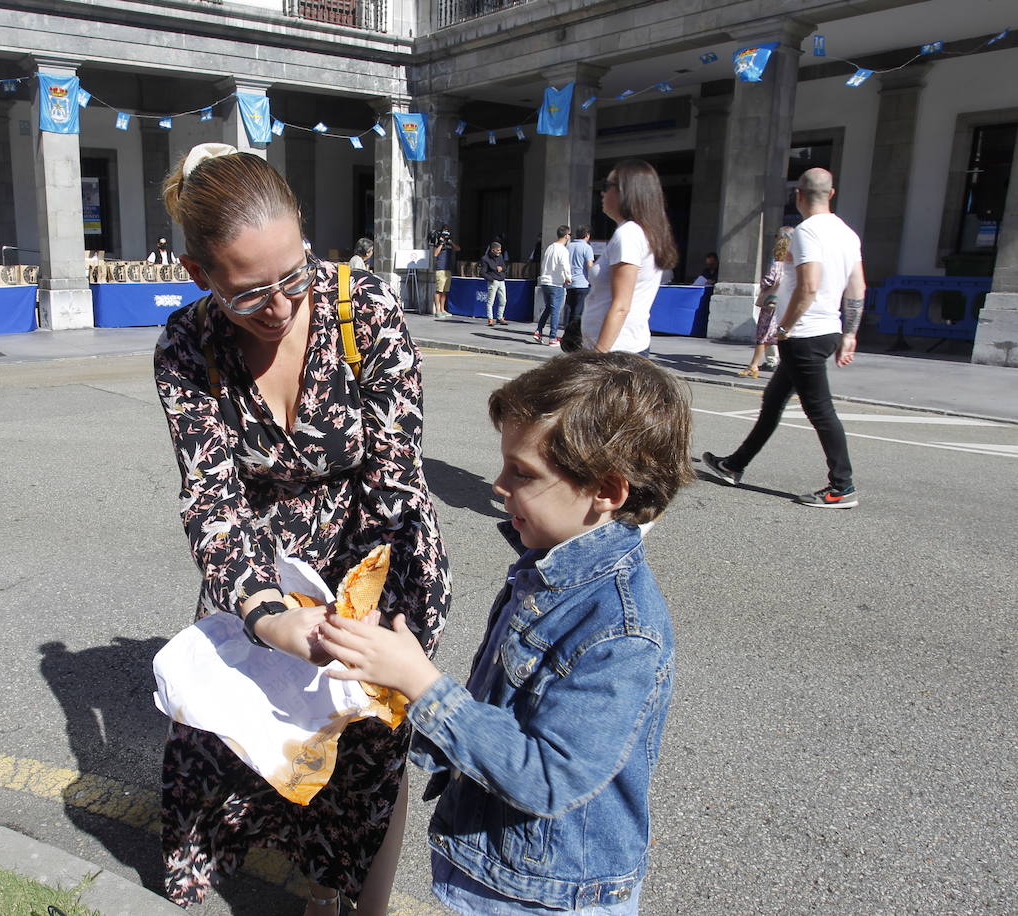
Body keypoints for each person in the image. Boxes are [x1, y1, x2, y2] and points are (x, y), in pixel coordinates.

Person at [153, 142, 451, 914]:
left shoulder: (364, 307)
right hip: (265, 566)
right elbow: (212, 497)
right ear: (200, 275)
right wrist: (268, 616)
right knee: (221, 740)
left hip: (377, 553)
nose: (282, 308)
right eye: (250, 294)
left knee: (369, 750)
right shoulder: (188, 345)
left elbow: (397, 472)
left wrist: (379, 615)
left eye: (295, 275)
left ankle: (348, 899)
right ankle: (294, 881)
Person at [319, 350, 693, 916]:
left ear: (607, 492)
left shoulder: (620, 631)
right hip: (511, 874)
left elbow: (548, 776)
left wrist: (421, 684)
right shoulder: (548, 568)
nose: (496, 485)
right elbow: (503, 710)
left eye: (523, 473)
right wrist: (387, 672)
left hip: (552, 895)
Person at [703, 167, 865, 508]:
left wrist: (783, 329)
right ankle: (733, 465)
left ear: (799, 195)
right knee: (774, 401)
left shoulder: (806, 232)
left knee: (820, 410)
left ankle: (842, 486)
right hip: (828, 329)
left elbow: (808, 286)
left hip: (804, 333)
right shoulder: (848, 234)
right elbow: (858, 288)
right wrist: (849, 334)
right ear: (832, 194)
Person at [581, 160, 679, 355]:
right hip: (626, 347)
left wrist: (597, 357)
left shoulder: (628, 234)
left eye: (607, 186)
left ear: (625, 191)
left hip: (615, 351)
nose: (602, 193)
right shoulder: (644, 232)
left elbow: (621, 306)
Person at [738, 227, 792, 378]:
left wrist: (764, 286)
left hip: (771, 304)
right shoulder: (792, 267)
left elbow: (768, 280)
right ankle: (777, 364)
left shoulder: (777, 265)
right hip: (783, 304)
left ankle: (753, 366)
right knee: (776, 335)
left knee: (762, 335)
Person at [532, 225, 571, 346]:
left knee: (549, 308)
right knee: (555, 311)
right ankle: (553, 338)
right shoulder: (563, 250)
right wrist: (568, 278)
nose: (570, 237)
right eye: (570, 235)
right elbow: (565, 265)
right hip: (556, 283)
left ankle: (538, 331)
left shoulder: (550, 247)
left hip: (545, 282)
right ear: (566, 236)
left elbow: (544, 264)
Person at [563, 225, 596, 351]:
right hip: (582, 283)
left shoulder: (569, 246)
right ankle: (575, 337)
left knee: (569, 308)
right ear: (587, 235)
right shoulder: (587, 248)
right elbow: (589, 265)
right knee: (578, 311)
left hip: (569, 282)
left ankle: (566, 333)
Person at [431, 224, 461, 317]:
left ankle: (443, 309)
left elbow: (458, 249)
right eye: (445, 230)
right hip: (440, 268)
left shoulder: (449, 243)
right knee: (439, 290)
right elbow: (435, 254)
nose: (446, 232)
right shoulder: (438, 242)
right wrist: (441, 243)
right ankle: (437, 310)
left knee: (444, 291)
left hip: (448, 268)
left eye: (447, 231)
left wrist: (450, 242)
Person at [480, 239, 508, 327]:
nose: (500, 251)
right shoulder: (485, 259)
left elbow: (504, 266)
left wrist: (502, 269)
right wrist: (491, 279)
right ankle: (490, 319)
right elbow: (482, 272)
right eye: (498, 250)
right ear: (493, 250)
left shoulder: (500, 256)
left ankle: (500, 317)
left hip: (501, 280)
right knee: (490, 301)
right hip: (493, 281)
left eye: (500, 250)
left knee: (503, 300)